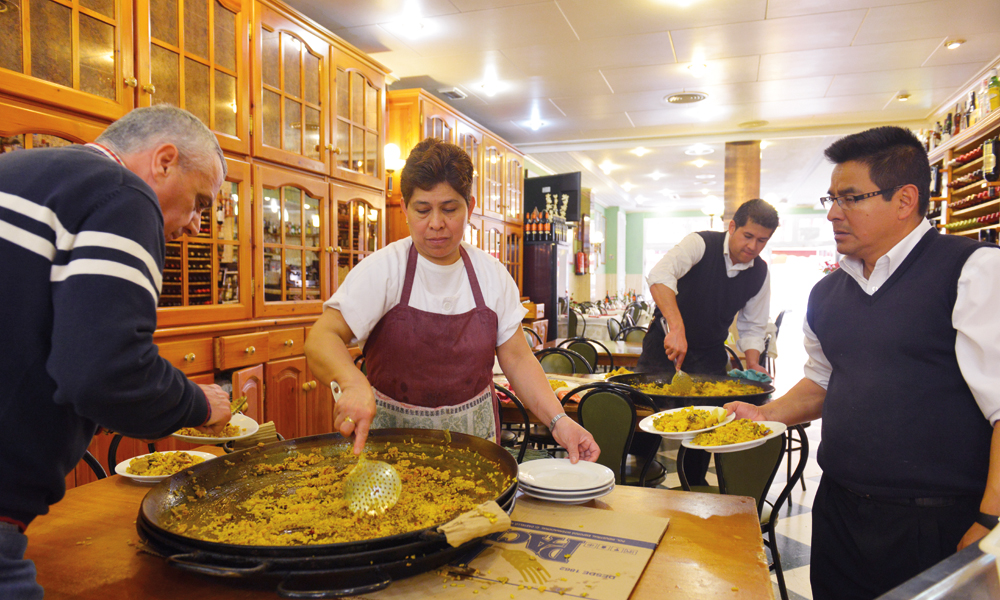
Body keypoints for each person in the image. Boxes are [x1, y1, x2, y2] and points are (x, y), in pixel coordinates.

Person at [727, 126, 1000, 600]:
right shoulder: (826, 293)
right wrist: (764, 414)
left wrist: (989, 520)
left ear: (905, 199)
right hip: (839, 513)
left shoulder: (972, 270)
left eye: (850, 198)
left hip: (937, 520)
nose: (833, 213)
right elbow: (822, 382)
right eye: (831, 199)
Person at [0, 105, 234, 599]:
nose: (197, 224)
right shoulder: (123, 194)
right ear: (164, 161)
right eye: (199, 202)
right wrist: (198, 404)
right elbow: (107, 371)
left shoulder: (17, 170)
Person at [305, 138, 599, 463]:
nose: (436, 223)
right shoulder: (383, 269)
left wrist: (559, 421)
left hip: (475, 451)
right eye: (422, 210)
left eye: (449, 209)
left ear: (469, 208)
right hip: (389, 456)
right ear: (404, 209)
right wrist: (351, 382)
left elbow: (518, 359)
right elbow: (322, 337)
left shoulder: (492, 274)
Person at [637, 198, 778, 485]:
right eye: (748, 236)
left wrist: (753, 363)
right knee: (646, 416)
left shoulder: (760, 273)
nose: (753, 246)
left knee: (705, 424)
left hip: (710, 356)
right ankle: (639, 478)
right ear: (732, 227)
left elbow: (753, 325)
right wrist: (677, 327)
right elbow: (660, 276)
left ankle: (694, 486)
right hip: (663, 347)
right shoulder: (701, 244)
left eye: (762, 241)